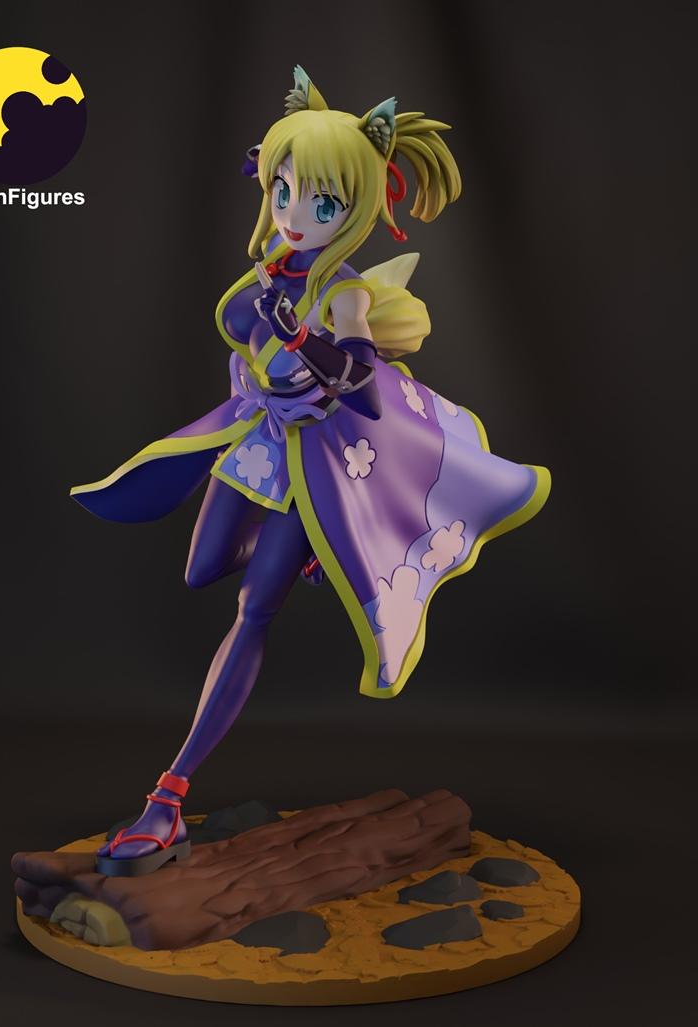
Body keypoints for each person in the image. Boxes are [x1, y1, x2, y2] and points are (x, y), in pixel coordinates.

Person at [70, 67, 551, 877]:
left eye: (322, 204)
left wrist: (301, 340)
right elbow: (245, 341)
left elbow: (362, 390)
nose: (296, 215)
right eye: (285, 190)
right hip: (257, 448)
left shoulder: (344, 293)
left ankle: (168, 796)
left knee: (251, 610)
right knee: (201, 570)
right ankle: (313, 553)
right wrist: (266, 361)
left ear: (355, 209)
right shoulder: (273, 265)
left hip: (313, 467)